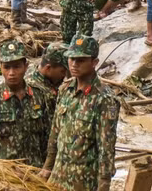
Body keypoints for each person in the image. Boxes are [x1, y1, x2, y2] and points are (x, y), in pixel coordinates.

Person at [41, 35, 120, 191]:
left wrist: (104, 184)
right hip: (58, 177)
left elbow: (106, 146)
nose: (74, 64)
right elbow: (55, 132)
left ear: (94, 63)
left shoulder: (104, 99)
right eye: (71, 59)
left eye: (81, 60)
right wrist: (47, 167)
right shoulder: (65, 90)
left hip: (84, 181)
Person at [0, 41, 51, 166]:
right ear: (1, 67)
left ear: (26, 67)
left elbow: (49, 139)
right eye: (7, 67)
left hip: (35, 172)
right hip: (5, 175)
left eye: (16, 67)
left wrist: (47, 169)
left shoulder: (41, 95)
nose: (11, 73)